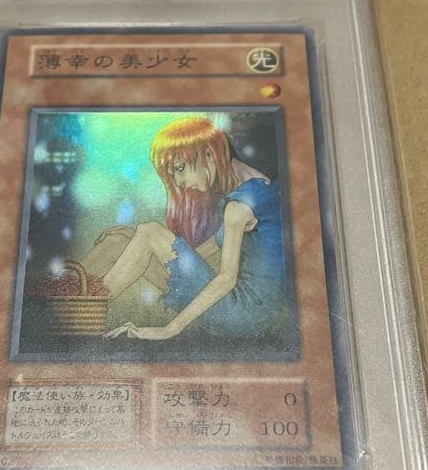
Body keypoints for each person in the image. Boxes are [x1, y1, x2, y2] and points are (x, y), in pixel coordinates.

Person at [86, 116, 288, 341]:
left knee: (149, 231)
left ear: (209, 153)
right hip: (246, 311)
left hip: (242, 315)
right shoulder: (255, 185)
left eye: (180, 168)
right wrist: (137, 244)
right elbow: (205, 250)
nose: (179, 181)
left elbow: (226, 280)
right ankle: (66, 300)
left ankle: (84, 311)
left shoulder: (239, 207)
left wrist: (168, 330)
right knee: (120, 242)